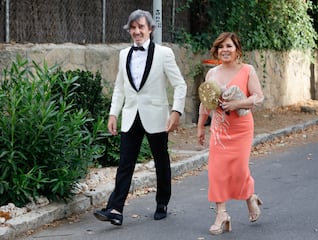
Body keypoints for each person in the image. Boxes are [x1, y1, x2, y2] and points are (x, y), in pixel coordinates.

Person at [93, 9, 187, 226]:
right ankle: (115, 209)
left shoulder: (164, 53)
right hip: (130, 115)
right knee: (125, 163)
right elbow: (120, 87)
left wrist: (176, 111)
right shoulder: (124, 54)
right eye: (133, 28)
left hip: (156, 115)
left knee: (161, 161)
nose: (136, 32)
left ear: (150, 29)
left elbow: (180, 84)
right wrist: (113, 113)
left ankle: (162, 202)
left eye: (140, 27)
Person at [197, 32, 264, 235]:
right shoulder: (212, 74)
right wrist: (200, 126)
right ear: (217, 51)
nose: (225, 50)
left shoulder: (247, 70)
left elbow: (259, 97)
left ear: (237, 50)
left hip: (242, 129)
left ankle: (250, 196)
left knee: (239, 170)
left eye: (229, 46)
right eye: (221, 47)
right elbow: (205, 103)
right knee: (217, 171)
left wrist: (237, 103)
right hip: (219, 129)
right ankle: (221, 214)